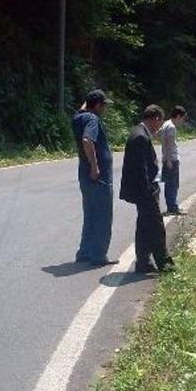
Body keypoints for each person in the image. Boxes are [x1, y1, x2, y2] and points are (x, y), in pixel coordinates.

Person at [119, 105, 175, 273]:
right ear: (156, 118)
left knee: (144, 226)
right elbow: (140, 170)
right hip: (144, 192)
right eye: (160, 122)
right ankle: (164, 263)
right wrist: (149, 191)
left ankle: (143, 262)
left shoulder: (138, 133)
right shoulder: (140, 137)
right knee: (156, 227)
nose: (159, 127)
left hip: (143, 190)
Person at [72, 89, 116, 266]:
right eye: (104, 105)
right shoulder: (92, 119)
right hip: (97, 176)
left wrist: (88, 101)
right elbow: (87, 140)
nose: (105, 108)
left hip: (84, 175)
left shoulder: (78, 118)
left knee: (90, 214)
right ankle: (98, 255)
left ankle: (85, 251)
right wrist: (95, 167)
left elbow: (84, 108)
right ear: (97, 106)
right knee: (103, 215)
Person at [160, 106, 187, 215]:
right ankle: (173, 208)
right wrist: (170, 160)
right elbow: (169, 143)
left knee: (169, 184)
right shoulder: (171, 127)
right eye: (183, 119)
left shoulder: (166, 124)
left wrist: (166, 158)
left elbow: (161, 138)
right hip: (171, 159)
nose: (182, 122)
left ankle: (171, 206)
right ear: (179, 116)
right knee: (173, 184)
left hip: (166, 158)